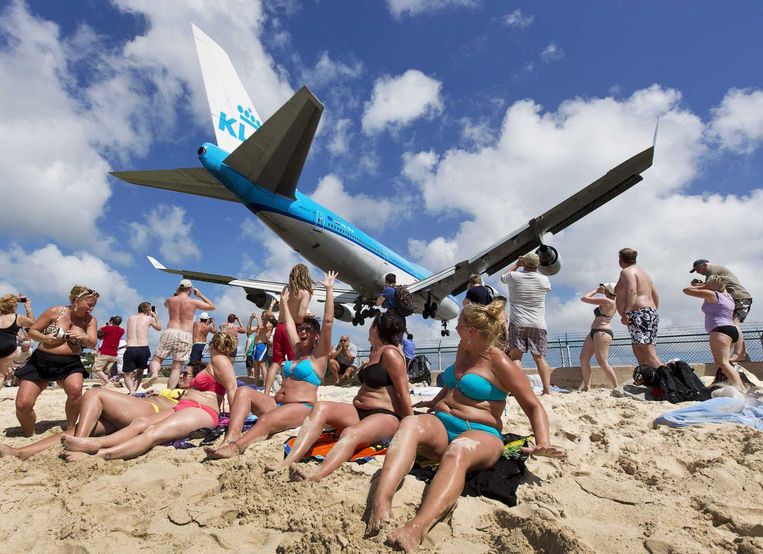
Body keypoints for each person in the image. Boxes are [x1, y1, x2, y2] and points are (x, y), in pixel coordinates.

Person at [365, 302, 566, 549]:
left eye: (460, 322)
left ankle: (417, 528)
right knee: (409, 423)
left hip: (481, 433)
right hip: (442, 423)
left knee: (459, 449)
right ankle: (382, 500)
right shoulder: (464, 349)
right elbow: (454, 384)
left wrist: (543, 442)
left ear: (471, 330)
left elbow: (533, 406)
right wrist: (434, 401)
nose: (456, 325)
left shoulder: (499, 361)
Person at [203, 272, 336, 460]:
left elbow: (328, 322)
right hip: (277, 402)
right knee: (244, 392)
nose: (303, 331)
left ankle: (235, 447)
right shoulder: (297, 349)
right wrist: (283, 302)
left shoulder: (318, 356)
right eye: (302, 329)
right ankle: (231, 435)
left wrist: (329, 289)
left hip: (302, 406)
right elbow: (288, 322)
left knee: (267, 420)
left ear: (316, 336)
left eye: (308, 330)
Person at [273, 312, 412, 482]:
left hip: (385, 416)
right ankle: (289, 461)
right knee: (321, 407)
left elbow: (404, 393)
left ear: (375, 329)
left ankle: (317, 474)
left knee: (350, 433)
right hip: (359, 412)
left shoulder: (391, 353)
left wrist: (409, 427)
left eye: (370, 326)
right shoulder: (376, 352)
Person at [60, 331, 237, 461]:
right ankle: (96, 443)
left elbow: (232, 389)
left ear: (211, 346)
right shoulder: (215, 364)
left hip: (202, 410)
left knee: (152, 433)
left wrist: (234, 429)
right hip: (184, 407)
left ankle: (100, 454)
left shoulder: (220, 360)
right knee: (140, 423)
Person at [0, 387, 181, 460]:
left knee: (95, 393)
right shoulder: (169, 389)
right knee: (75, 428)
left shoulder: (188, 393)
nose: (184, 375)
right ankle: (20, 453)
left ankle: (78, 445)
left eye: (188, 373)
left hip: (151, 412)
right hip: (135, 410)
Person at [15, 285, 99, 436]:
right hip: (41, 361)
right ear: (76, 301)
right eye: (89, 304)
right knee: (23, 405)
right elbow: (33, 332)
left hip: (70, 363)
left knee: (75, 390)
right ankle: (28, 434)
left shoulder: (90, 320)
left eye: (94, 305)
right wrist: (45, 338)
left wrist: (83, 337)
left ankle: (71, 427)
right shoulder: (55, 312)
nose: (92, 308)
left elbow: (93, 343)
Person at [143, 279, 215, 390]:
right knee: (177, 367)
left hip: (170, 331)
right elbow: (212, 306)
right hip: (185, 333)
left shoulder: (170, 300)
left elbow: (165, 304)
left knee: (157, 359)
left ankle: (154, 374)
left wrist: (176, 293)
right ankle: (169, 391)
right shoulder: (193, 302)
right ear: (190, 289)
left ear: (179, 288)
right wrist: (200, 295)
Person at [500, 253, 553, 394]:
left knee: (516, 357)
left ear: (524, 262)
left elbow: (503, 277)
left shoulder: (514, 277)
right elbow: (543, 284)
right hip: (538, 323)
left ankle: (516, 390)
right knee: (540, 358)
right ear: (538, 264)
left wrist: (517, 265)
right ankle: (547, 390)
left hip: (518, 322)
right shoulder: (544, 280)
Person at [683, 275, 746, 391]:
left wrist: (704, 286)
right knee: (725, 362)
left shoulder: (713, 295)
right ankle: (736, 385)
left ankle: (740, 387)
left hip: (720, 330)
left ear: (712, 285)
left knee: (722, 362)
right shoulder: (729, 297)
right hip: (731, 330)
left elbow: (686, 290)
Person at [264, 264, 314, 394]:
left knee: (275, 362)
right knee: (295, 360)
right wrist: (309, 315)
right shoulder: (305, 292)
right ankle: (290, 391)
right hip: (293, 328)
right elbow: (299, 316)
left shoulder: (286, 289)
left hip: (280, 326)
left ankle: (266, 391)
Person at [690, 259, 753, 362]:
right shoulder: (716, 271)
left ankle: (740, 354)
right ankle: (740, 353)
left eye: (697, 269)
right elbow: (713, 286)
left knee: (734, 323)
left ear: (704, 265)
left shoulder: (712, 269)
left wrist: (696, 287)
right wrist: (700, 285)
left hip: (738, 297)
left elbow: (710, 288)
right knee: (732, 324)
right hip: (735, 298)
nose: (697, 272)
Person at [615, 248, 662, 369]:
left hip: (639, 313)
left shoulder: (626, 272)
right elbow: (655, 295)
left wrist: (626, 312)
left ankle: (670, 382)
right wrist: (651, 310)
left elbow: (632, 291)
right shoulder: (644, 273)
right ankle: (650, 379)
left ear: (620, 259)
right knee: (638, 349)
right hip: (648, 312)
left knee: (648, 352)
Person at [579, 283, 618, 390]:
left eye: (605, 288)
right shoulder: (611, 300)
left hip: (602, 332)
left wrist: (596, 290)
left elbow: (584, 298)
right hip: (595, 332)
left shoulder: (608, 301)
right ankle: (587, 386)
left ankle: (616, 387)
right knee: (584, 358)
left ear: (608, 291)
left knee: (602, 362)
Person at [123, 303, 161, 395]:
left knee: (127, 375)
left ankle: (132, 391)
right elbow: (159, 328)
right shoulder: (149, 318)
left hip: (131, 348)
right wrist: (155, 316)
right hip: (143, 348)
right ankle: (134, 391)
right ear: (148, 310)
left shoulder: (130, 318)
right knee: (140, 372)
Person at [0, 292, 35, 380]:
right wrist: (28, 307)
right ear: (14, 306)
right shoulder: (17, 317)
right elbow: (33, 324)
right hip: (9, 347)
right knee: (1, 375)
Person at [92, 316, 125, 387]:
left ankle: (108, 383)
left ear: (112, 321)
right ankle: (104, 386)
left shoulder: (107, 328)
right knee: (105, 372)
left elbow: (100, 329)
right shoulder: (122, 331)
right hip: (114, 355)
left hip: (105, 353)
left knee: (96, 369)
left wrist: (108, 324)